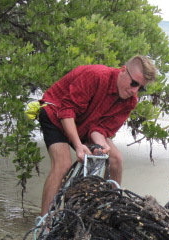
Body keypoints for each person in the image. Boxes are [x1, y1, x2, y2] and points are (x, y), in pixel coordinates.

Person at [38, 55, 157, 215]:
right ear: (123, 71)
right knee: (63, 164)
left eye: (140, 88)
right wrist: (79, 146)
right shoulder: (95, 76)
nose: (134, 90)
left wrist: (101, 147)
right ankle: (44, 222)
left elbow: (99, 128)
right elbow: (66, 111)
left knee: (116, 158)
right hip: (55, 113)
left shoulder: (130, 101)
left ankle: (112, 211)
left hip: (85, 123)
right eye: (134, 83)